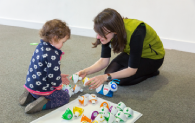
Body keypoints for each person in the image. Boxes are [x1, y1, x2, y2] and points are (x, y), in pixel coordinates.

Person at [72, 8, 165, 89]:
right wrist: (85, 71)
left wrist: (104, 77)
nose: (98, 37)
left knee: (119, 80)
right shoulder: (109, 33)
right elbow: (103, 61)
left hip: (152, 58)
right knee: (109, 73)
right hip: (132, 53)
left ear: (115, 30)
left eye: (101, 33)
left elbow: (131, 70)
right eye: (97, 32)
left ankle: (151, 72)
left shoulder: (136, 32)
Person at [19, 19, 71, 114]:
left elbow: (42, 68)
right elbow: (53, 78)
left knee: (37, 86)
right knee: (65, 97)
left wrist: (58, 75)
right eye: (63, 42)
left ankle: (30, 94)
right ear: (54, 38)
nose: (63, 45)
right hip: (41, 89)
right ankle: (42, 104)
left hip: (31, 84)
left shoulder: (40, 46)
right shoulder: (53, 54)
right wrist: (59, 84)